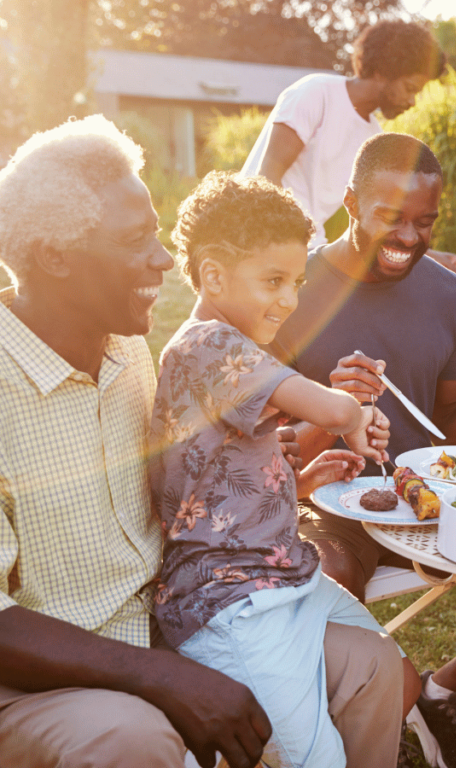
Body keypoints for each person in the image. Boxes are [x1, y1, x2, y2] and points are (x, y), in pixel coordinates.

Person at [269, 131, 456, 768]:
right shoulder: (291, 287)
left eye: (425, 222)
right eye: (390, 219)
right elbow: (254, 439)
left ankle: (440, 690)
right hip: (331, 504)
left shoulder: (448, 295)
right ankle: (328, 742)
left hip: (439, 506)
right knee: (324, 582)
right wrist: (330, 404)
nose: (409, 237)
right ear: (349, 201)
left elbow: (452, 418)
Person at [0, 115, 270, 768]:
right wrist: (162, 676)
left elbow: (166, 490)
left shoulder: (125, 346)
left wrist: (278, 466)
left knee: (361, 664)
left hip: (161, 629)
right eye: (136, 240)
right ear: (55, 257)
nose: (162, 258)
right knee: (134, 737)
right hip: (32, 685)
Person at [150, 171, 404, 768]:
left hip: (282, 580)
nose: (289, 299)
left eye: (295, 281)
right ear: (213, 275)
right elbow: (332, 405)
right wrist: (354, 414)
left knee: (379, 661)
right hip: (233, 604)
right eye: (273, 281)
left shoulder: (230, 350)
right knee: (317, 760)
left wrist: (301, 481)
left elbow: (221, 479)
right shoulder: (208, 346)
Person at [242, 19, 456, 281]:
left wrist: (430, 256)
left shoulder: (373, 138)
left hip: (307, 250)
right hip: (260, 237)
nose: (412, 101)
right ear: (384, 70)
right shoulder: (316, 94)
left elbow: (368, 220)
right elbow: (266, 176)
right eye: (409, 89)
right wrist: (280, 249)